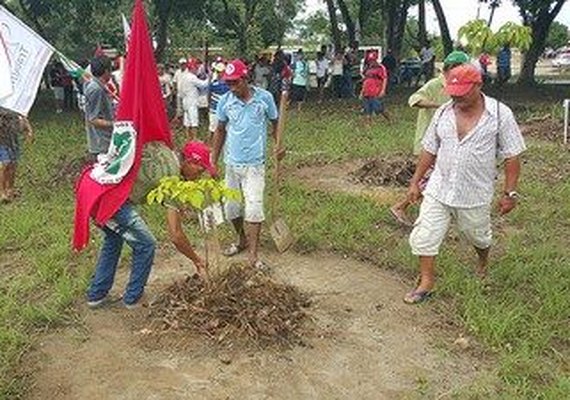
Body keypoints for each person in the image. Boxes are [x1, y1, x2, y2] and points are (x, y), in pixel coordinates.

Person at [403, 63, 526, 304]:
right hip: (439, 188)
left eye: (462, 93)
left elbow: (512, 156)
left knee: (477, 236)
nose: (457, 98)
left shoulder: (500, 114)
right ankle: (426, 282)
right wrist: (415, 182)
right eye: (453, 93)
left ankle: (482, 261)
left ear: (479, 85)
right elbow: (430, 149)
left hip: (474, 193)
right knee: (424, 235)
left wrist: (509, 193)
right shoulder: (443, 113)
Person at [86, 141, 212, 309]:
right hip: (110, 198)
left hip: (94, 185)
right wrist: (198, 261)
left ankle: (96, 295)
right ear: (190, 162)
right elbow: (175, 235)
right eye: (201, 169)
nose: (201, 175)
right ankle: (133, 298)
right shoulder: (171, 178)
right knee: (146, 244)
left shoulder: (166, 151)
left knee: (113, 239)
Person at [212, 59, 285, 270]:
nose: (231, 87)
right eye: (228, 83)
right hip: (231, 164)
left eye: (235, 82)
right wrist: (213, 160)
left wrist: (279, 145)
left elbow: (275, 123)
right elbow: (220, 130)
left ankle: (253, 255)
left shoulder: (265, 98)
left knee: (253, 208)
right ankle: (241, 239)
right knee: (231, 209)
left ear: (246, 79)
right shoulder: (225, 101)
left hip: (255, 165)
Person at [390, 50, 470, 225]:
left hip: (448, 143)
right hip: (430, 143)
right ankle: (404, 208)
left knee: (438, 179)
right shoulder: (435, 85)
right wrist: (439, 106)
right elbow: (414, 99)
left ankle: (430, 212)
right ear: (450, 69)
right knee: (433, 180)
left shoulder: (462, 88)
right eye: (460, 69)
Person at [84, 56, 115, 159]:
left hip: (105, 139)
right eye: (111, 69)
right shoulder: (96, 89)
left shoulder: (99, 86)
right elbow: (93, 120)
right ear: (106, 71)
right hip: (101, 143)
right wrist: (115, 124)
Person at [0, 109, 33, 203]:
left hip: (13, 139)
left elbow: (22, 115)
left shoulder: (13, 105)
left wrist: (28, 130)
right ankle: (2, 192)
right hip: (2, 139)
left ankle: (10, 189)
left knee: (13, 165)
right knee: (5, 164)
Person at [178, 58, 209, 140]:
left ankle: (188, 138)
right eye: (196, 68)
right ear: (192, 68)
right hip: (192, 101)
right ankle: (194, 138)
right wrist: (210, 77)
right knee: (194, 120)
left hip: (185, 100)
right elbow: (203, 84)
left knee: (187, 121)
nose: (197, 70)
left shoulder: (183, 76)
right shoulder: (192, 77)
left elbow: (180, 90)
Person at [360, 60, 390, 124]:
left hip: (375, 90)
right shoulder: (367, 68)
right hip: (367, 90)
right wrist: (362, 91)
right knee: (367, 108)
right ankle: (368, 123)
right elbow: (365, 80)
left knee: (378, 107)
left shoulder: (380, 68)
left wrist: (383, 90)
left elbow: (385, 78)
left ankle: (389, 119)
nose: (371, 63)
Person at [208, 62, 230, 143]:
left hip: (225, 110)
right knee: (212, 129)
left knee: (225, 128)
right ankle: (210, 145)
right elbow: (209, 95)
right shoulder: (214, 83)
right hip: (214, 109)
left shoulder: (228, 84)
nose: (218, 73)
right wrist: (209, 105)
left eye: (220, 71)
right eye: (217, 71)